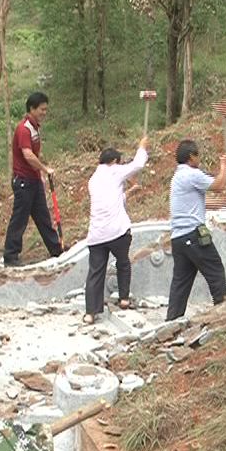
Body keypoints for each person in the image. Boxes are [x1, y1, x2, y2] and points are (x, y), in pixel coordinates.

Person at [83, 136, 149, 324]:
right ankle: (124, 299)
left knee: (95, 272)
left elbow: (111, 201)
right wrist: (142, 146)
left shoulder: (93, 180)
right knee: (123, 263)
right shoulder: (114, 171)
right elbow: (137, 165)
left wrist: (129, 192)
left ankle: (90, 313)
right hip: (118, 232)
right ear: (114, 162)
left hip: (97, 235)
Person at [166, 140, 226, 322]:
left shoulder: (177, 177)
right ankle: (222, 313)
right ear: (191, 157)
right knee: (215, 270)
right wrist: (224, 166)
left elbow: (195, 201)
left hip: (178, 238)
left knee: (181, 283)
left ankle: (172, 322)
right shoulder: (192, 175)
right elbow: (219, 186)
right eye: (198, 155)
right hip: (193, 235)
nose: (199, 159)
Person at [3, 92, 63, 266]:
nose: (45, 112)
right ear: (32, 109)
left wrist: (42, 172)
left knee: (43, 216)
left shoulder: (36, 127)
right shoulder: (24, 128)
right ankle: (10, 256)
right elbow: (28, 155)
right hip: (23, 181)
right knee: (20, 218)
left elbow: (35, 153)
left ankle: (56, 249)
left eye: (46, 109)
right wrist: (45, 169)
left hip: (34, 180)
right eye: (42, 109)